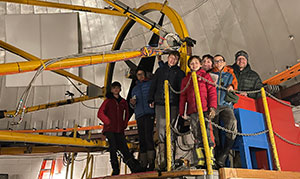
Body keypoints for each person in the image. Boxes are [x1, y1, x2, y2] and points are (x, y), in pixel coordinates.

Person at [148, 50, 185, 171]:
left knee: (172, 129)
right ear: (168, 58)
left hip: (173, 104)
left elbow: (181, 90)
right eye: (171, 58)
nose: (172, 60)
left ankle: (171, 160)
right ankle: (163, 161)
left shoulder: (180, 73)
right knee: (161, 130)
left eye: (175, 59)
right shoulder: (160, 71)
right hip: (160, 103)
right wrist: (150, 99)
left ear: (177, 61)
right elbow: (153, 85)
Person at [179, 55, 217, 168]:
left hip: (205, 110)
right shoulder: (186, 79)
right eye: (192, 63)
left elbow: (212, 92)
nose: (194, 65)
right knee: (196, 135)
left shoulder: (206, 76)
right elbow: (183, 96)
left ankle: (210, 159)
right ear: (189, 66)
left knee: (208, 134)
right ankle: (201, 160)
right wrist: (182, 112)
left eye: (196, 63)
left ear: (200, 64)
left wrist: (212, 107)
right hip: (193, 111)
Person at [98, 81, 142, 175]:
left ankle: (133, 167)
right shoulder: (108, 101)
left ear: (120, 89)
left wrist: (124, 123)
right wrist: (108, 122)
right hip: (110, 129)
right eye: (114, 88)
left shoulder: (123, 102)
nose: (116, 90)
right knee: (113, 148)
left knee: (124, 148)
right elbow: (100, 113)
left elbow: (127, 113)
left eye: (117, 88)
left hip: (119, 129)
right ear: (111, 89)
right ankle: (115, 169)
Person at [211, 54, 238, 168]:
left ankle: (224, 155)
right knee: (214, 132)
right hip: (213, 106)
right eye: (216, 61)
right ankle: (217, 158)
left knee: (232, 125)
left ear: (225, 62)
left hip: (226, 105)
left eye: (220, 61)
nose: (218, 63)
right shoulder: (211, 75)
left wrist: (231, 86)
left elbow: (235, 83)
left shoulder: (230, 74)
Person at [130, 69, 155, 171]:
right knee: (142, 138)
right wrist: (132, 103)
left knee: (148, 137)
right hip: (139, 114)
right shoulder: (135, 89)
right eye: (138, 75)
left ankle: (151, 162)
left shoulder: (150, 84)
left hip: (149, 113)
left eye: (141, 74)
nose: (140, 76)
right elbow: (132, 104)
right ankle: (144, 163)